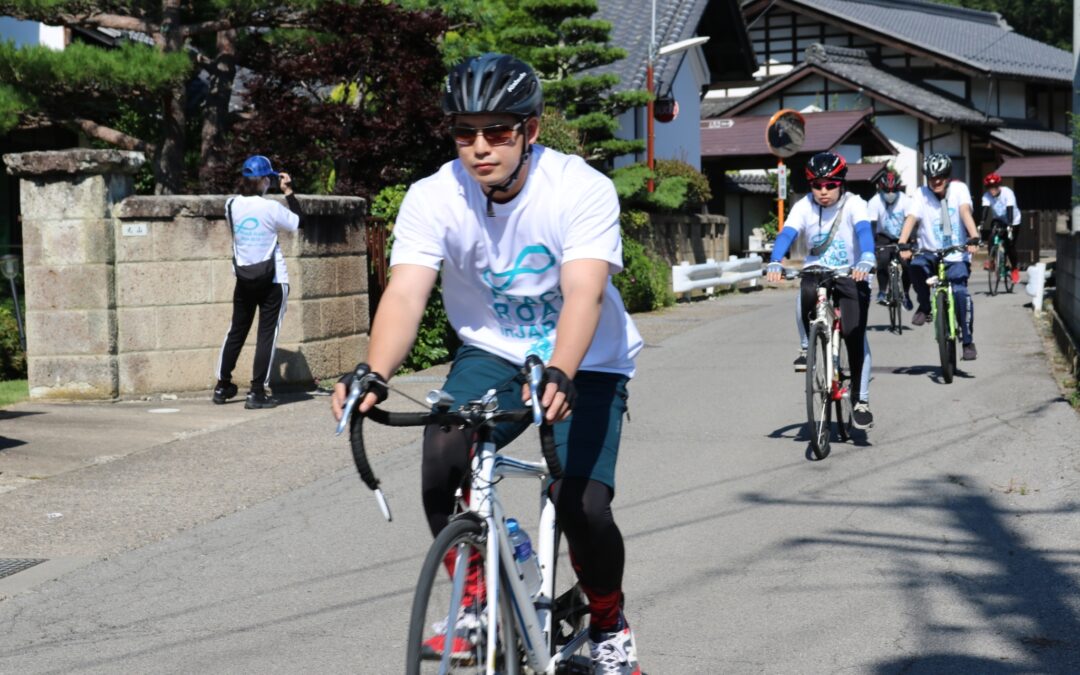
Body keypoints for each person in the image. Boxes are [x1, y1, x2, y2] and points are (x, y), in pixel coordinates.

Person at [330, 53, 644, 674]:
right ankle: (474, 592)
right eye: (464, 133)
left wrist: (561, 369)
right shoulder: (433, 196)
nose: (480, 148)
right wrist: (374, 370)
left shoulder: (580, 188)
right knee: (443, 453)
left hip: (587, 358)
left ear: (530, 130)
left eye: (498, 131)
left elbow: (584, 290)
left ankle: (609, 627)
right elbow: (406, 291)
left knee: (583, 505)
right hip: (493, 349)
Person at [767, 151, 876, 430]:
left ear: (841, 183)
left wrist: (866, 258)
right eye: (817, 185)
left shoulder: (855, 204)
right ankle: (807, 346)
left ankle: (860, 399)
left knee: (854, 332)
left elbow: (864, 231)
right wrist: (775, 260)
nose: (823, 191)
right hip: (818, 272)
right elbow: (787, 233)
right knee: (804, 291)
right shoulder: (804, 206)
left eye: (830, 185)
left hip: (852, 273)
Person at [213, 155, 304, 409]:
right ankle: (256, 392)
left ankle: (222, 386)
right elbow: (299, 222)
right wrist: (289, 192)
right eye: (270, 179)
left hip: (243, 278)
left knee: (237, 330)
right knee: (266, 335)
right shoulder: (271, 208)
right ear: (264, 180)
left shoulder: (230, 206)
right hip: (273, 279)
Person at [897, 153, 981, 360]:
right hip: (929, 252)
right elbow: (911, 218)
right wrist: (902, 243)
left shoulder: (959, 189)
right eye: (931, 177)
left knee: (960, 292)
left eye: (940, 177)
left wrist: (974, 236)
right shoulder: (921, 194)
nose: (936, 181)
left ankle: (968, 341)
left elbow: (964, 212)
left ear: (948, 176)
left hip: (956, 252)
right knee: (915, 266)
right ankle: (925, 305)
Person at [867, 169, 913, 309]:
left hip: (902, 236)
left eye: (893, 190)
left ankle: (906, 293)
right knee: (883, 261)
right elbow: (872, 225)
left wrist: (912, 242)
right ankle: (882, 291)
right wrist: (871, 245)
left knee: (906, 265)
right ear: (881, 189)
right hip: (883, 237)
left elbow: (911, 222)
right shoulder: (874, 201)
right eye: (887, 191)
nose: (890, 194)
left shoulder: (905, 200)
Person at [980, 172, 1022, 285]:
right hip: (998, 219)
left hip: (1013, 220)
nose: (992, 190)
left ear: (999, 185)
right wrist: (981, 223)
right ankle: (992, 261)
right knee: (992, 236)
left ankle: (1014, 269)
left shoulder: (1007, 192)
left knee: (1010, 245)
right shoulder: (986, 196)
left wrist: (1009, 225)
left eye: (995, 187)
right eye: (989, 187)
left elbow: (1009, 209)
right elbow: (985, 209)